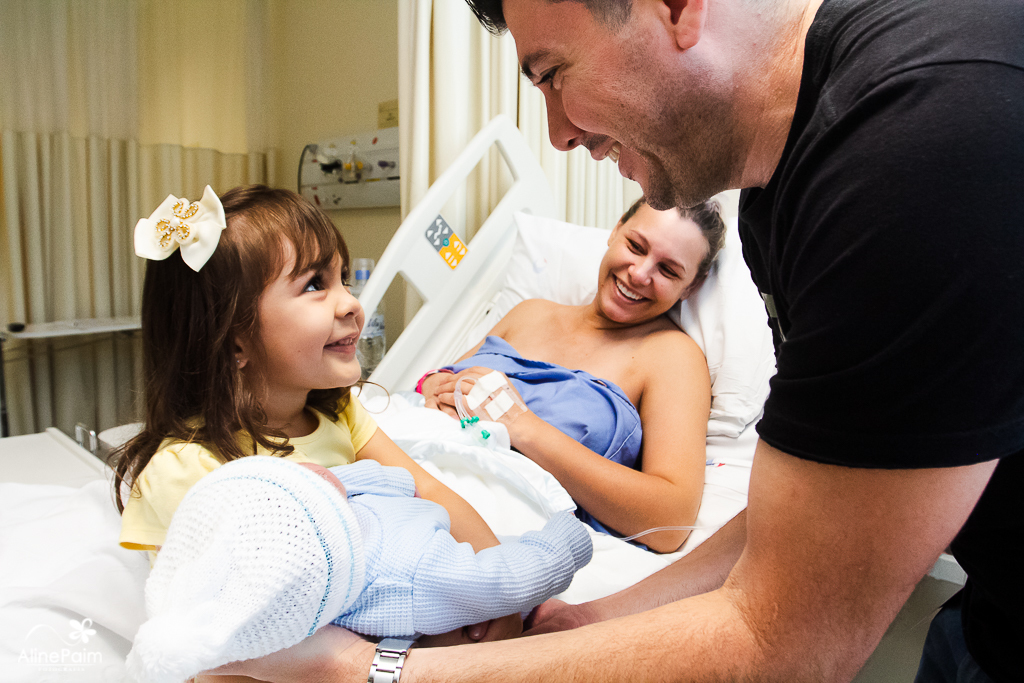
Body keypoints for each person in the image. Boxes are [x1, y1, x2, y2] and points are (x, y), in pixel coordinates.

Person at [205, 0, 1022, 681]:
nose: (557, 133)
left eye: (554, 74)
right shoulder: (783, 200)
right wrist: (587, 619)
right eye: (635, 247)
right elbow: (816, 510)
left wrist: (367, 672)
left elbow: (788, 638)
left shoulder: (921, 143)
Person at [114, 183, 521, 642]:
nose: (351, 303)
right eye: (314, 285)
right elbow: (210, 629)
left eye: (342, 278)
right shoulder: (189, 471)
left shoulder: (338, 412)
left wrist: (498, 584)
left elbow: (423, 487)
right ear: (234, 341)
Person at [419, 197, 724, 553]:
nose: (640, 274)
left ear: (691, 287)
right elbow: (436, 380)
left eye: (669, 271)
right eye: (635, 246)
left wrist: (524, 427)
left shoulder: (671, 356)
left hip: (490, 525)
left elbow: (669, 524)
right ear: (615, 231)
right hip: (413, 471)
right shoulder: (530, 313)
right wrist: (430, 388)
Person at [126, 456, 592, 683]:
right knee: (516, 583)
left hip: (421, 539)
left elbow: (386, 479)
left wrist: (371, 484)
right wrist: (568, 539)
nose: (307, 467)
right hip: (456, 587)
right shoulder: (409, 576)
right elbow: (504, 580)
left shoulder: (309, 503)